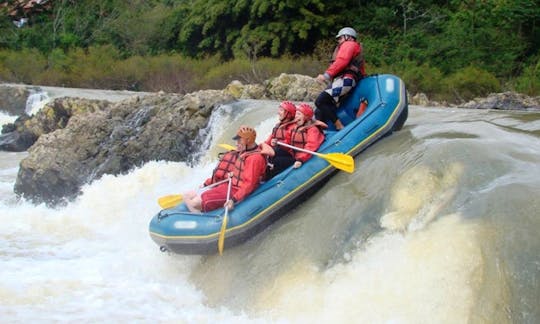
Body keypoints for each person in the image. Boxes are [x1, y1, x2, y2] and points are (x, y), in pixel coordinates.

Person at [184, 125, 267, 213]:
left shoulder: (255, 158)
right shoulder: (245, 152)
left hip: (236, 191)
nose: (236, 143)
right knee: (190, 196)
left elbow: (248, 184)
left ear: (248, 141)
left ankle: (200, 218)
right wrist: (232, 174)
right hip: (230, 185)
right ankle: (200, 213)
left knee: (196, 202)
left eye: (239, 141)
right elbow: (240, 170)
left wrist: (233, 200)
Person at [314, 27, 366, 130]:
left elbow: (342, 61)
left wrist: (326, 75)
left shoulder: (349, 44)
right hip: (343, 80)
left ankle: (339, 126)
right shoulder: (352, 47)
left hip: (346, 80)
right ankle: (318, 133)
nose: (338, 41)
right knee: (319, 110)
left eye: (340, 38)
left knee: (320, 101)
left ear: (348, 37)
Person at [264, 101, 297, 178]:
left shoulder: (293, 128)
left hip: (291, 157)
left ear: (288, 114)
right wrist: (257, 148)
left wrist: (277, 143)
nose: (278, 112)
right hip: (279, 153)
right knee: (264, 155)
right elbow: (268, 141)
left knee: (273, 158)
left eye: (281, 110)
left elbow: (289, 145)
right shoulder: (278, 126)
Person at [289, 103, 326, 169]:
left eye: (299, 114)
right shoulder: (296, 127)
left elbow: (311, 146)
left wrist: (300, 160)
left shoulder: (313, 130)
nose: (296, 116)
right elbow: (288, 139)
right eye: (296, 114)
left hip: (302, 156)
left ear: (306, 117)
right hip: (294, 154)